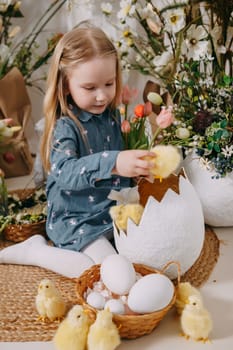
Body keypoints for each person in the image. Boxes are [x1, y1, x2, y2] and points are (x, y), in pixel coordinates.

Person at [0, 24, 155, 278]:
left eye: (109, 83)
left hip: (109, 212)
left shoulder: (112, 116)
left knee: (143, 254)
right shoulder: (65, 126)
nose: (102, 96)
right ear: (65, 86)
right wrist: (115, 161)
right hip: (75, 218)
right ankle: (35, 252)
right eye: (90, 88)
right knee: (98, 273)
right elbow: (65, 172)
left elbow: (118, 167)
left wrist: (136, 171)